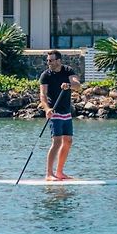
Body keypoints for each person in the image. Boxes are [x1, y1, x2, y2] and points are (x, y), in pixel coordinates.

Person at [39, 50, 81, 181]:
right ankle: (49, 174)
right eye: (47, 60)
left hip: (66, 112)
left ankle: (59, 172)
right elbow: (43, 95)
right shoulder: (46, 75)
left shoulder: (68, 70)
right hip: (54, 111)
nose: (48, 63)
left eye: (51, 60)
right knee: (56, 142)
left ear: (58, 61)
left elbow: (77, 85)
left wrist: (69, 85)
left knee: (68, 141)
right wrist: (47, 109)